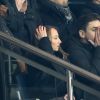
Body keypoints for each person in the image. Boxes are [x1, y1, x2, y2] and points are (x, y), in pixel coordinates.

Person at [16, 25, 71, 100]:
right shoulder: (35, 57)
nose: (60, 41)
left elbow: (68, 78)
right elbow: (54, 67)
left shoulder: (60, 55)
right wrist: (44, 39)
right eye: (55, 38)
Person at [65, 13, 100, 100]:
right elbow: (89, 76)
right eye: (94, 30)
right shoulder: (73, 48)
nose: (99, 33)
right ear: (82, 34)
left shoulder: (94, 46)